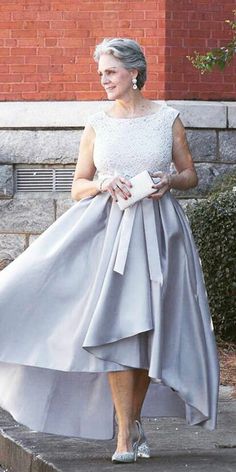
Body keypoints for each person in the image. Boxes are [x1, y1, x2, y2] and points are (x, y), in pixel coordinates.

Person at [0, 38, 219, 464]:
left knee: (146, 332)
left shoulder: (168, 119)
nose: (103, 80)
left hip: (160, 234)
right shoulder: (97, 123)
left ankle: (132, 423)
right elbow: (77, 186)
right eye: (101, 73)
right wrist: (102, 183)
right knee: (118, 328)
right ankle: (123, 434)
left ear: (134, 72)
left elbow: (190, 174)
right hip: (108, 235)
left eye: (111, 72)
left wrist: (167, 181)